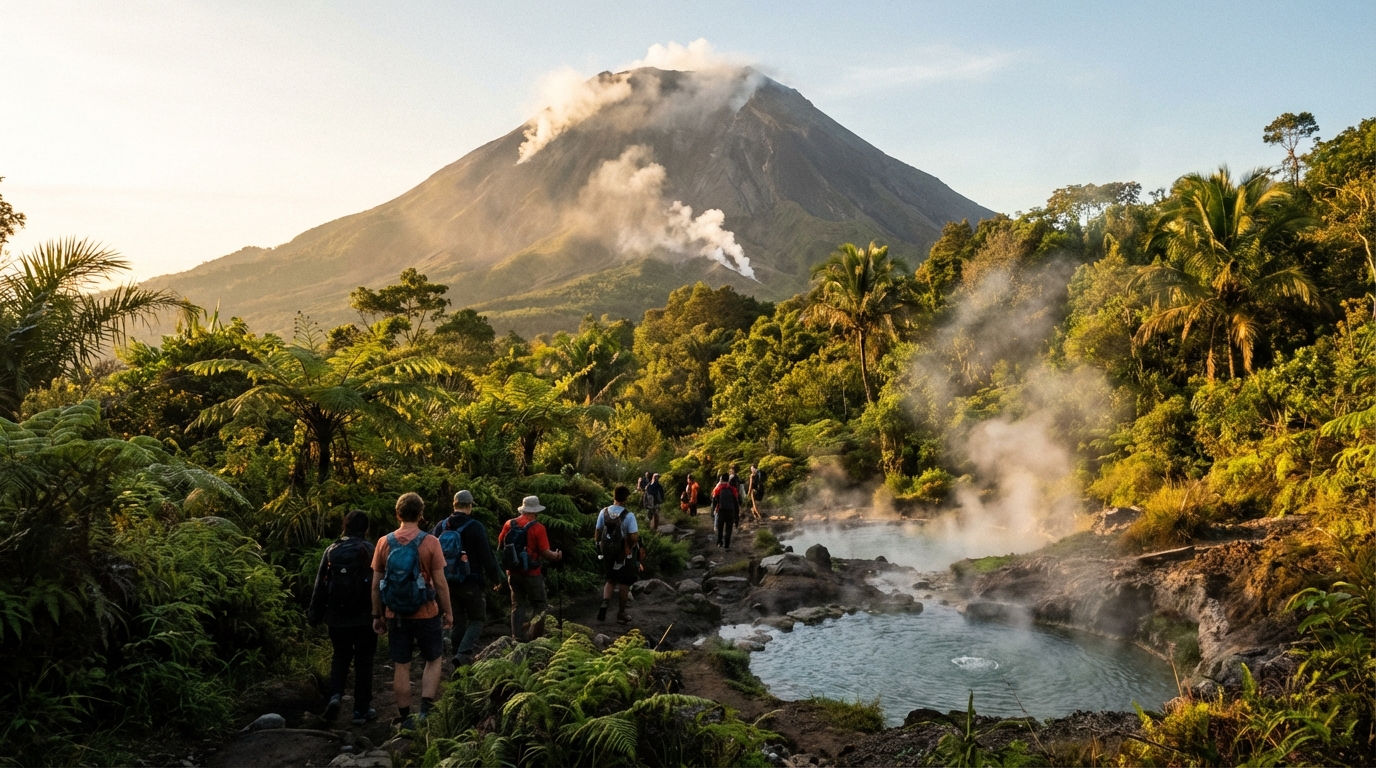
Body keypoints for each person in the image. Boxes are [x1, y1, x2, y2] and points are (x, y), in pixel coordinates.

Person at [371, 492, 452, 728]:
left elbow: (376, 585)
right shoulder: (430, 542)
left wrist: (377, 615)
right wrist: (448, 612)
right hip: (426, 612)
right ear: (421, 515)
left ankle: (405, 717)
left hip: (395, 614)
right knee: (433, 660)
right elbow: (440, 582)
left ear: (398, 514)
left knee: (401, 665)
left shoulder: (384, 542)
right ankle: (425, 712)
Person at [308, 510, 377, 725]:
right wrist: (382, 614)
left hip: (337, 617)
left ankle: (335, 696)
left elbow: (320, 585)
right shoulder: (369, 549)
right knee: (364, 662)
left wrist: (314, 615)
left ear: (345, 526)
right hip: (365, 617)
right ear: (365, 529)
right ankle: (360, 711)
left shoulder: (332, 550)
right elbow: (377, 585)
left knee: (340, 657)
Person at [430, 489, 501, 666]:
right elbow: (487, 556)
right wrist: (496, 579)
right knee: (477, 618)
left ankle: (455, 653)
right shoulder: (475, 526)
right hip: (471, 581)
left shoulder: (440, 526)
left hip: (445, 582)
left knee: (457, 620)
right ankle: (462, 655)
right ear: (469, 506)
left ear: (454, 505)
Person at [497, 496, 563, 641]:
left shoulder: (509, 524)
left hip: (513, 572)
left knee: (517, 605)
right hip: (532, 573)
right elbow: (546, 553)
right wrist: (557, 556)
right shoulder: (538, 528)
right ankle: (534, 636)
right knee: (540, 604)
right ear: (535, 511)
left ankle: (517, 637)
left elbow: (501, 544)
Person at [595, 486, 642, 623]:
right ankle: (621, 613)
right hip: (623, 553)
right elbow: (633, 537)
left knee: (610, 580)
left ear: (614, 496)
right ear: (626, 498)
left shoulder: (603, 512)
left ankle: (605, 602)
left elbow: (597, 533)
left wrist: (600, 547)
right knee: (624, 582)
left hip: (608, 551)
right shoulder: (629, 515)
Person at [711, 473, 741, 550]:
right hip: (730, 511)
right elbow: (736, 502)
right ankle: (727, 544)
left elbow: (714, 501)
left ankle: (719, 542)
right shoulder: (733, 489)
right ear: (728, 480)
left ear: (721, 479)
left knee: (720, 528)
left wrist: (713, 511)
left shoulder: (719, 489)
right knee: (729, 528)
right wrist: (736, 516)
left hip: (721, 511)